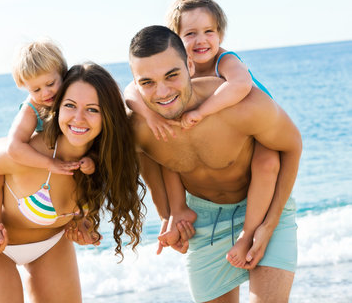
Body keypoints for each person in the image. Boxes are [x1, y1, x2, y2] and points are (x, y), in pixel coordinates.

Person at [128, 25, 301, 302]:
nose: (162, 92)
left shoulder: (241, 106)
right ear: (135, 84)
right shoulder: (139, 127)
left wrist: (269, 224)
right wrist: (168, 214)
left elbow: (292, 145)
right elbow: (144, 156)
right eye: (147, 82)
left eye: (172, 76)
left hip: (264, 208)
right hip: (204, 222)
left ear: (190, 65)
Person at [0, 63, 145, 303]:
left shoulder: (103, 157)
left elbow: (142, 108)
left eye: (92, 110)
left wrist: (82, 222)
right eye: (70, 106)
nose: (78, 118)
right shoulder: (28, 154)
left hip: (51, 245)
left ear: (108, 115)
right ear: (57, 107)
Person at [125, 0, 279, 268]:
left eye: (210, 31)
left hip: (257, 134)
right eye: (190, 33)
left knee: (266, 163)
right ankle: (173, 213)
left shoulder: (225, 60)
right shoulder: (173, 72)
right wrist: (151, 117)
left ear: (220, 34)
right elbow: (130, 91)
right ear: (173, 40)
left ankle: (249, 233)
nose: (201, 40)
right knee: (169, 148)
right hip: (207, 139)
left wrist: (200, 111)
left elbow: (241, 86)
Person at [0, 39, 95, 248]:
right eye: (35, 89)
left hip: (66, 161)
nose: (45, 93)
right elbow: (14, 146)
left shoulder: (74, 94)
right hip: (38, 162)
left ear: (63, 73)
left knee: (84, 175)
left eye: (51, 84)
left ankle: (83, 218)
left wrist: (90, 160)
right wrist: (48, 163)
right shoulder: (32, 107)